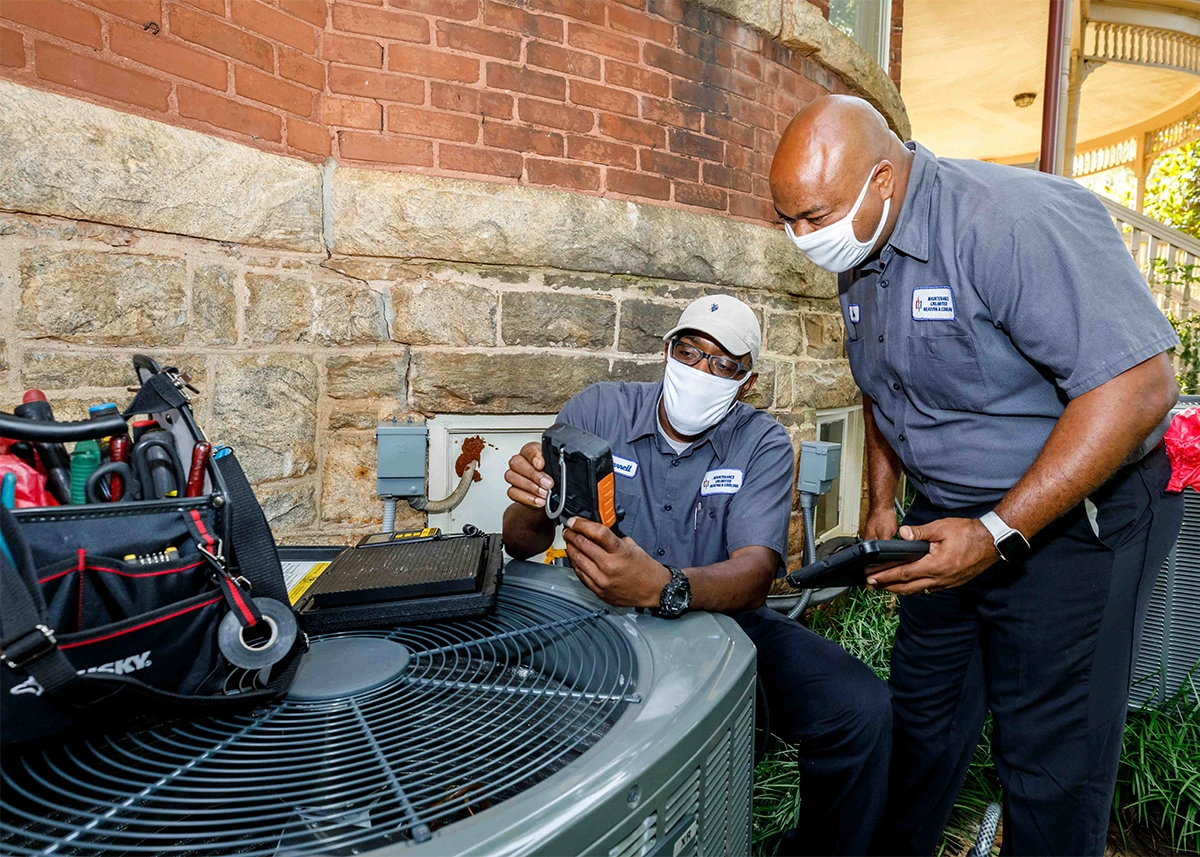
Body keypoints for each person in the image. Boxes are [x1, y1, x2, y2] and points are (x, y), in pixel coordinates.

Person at [769, 95, 1184, 856]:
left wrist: (997, 534)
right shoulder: (859, 243)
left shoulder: (1006, 220)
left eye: (813, 217)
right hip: (948, 522)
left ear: (884, 180)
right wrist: (883, 500)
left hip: (1074, 523)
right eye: (786, 219)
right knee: (922, 716)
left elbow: (1140, 386)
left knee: (1047, 756)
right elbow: (884, 379)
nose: (802, 239)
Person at [502, 295, 891, 856]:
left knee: (861, 711)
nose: (700, 371)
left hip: (723, 619)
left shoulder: (761, 442)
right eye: (689, 352)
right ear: (667, 352)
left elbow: (755, 574)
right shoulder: (597, 412)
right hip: (598, 618)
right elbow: (521, 540)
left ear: (747, 380)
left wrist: (665, 586)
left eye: (722, 363)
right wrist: (534, 500)